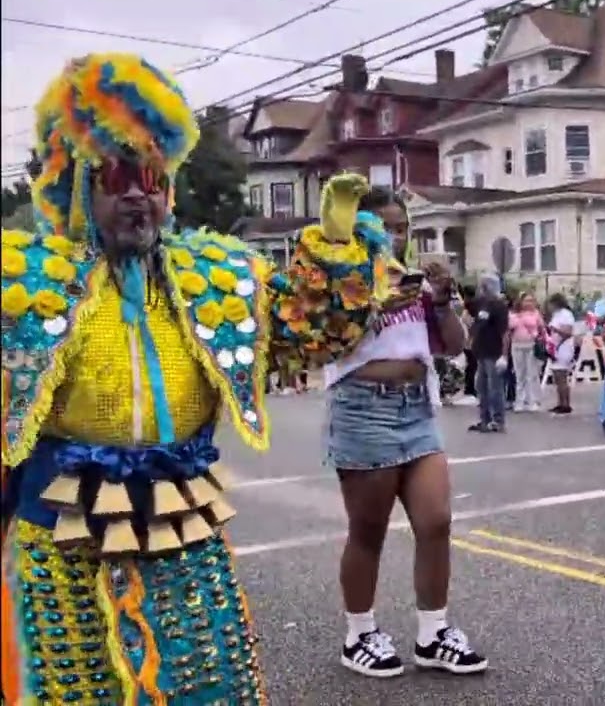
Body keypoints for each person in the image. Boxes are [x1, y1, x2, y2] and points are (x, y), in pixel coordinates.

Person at [1, 53, 272, 703]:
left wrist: (342, 248)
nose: (134, 193)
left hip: (183, 534)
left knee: (209, 689)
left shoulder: (215, 279)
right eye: (114, 176)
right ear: (76, 187)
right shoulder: (28, 285)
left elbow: (310, 336)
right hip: (62, 539)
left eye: (149, 176)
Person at [279, 180, 485, 679]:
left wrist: (439, 300)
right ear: (359, 228)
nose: (395, 237)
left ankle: (433, 633)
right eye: (383, 228)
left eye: (401, 228)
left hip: (418, 410)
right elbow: (318, 345)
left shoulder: (415, 280)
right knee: (368, 530)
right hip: (364, 408)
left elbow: (456, 345)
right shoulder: (338, 278)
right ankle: (360, 633)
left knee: (436, 522)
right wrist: (372, 303)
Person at [467, 275, 509, 433]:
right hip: (481, 351)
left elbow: (505, 332)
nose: (481, 288)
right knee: (482, 388)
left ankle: (498, 420)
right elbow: (475, 320)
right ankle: (484, 419)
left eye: (484, 285)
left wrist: (504, 355)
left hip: (494, 352)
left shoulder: (499, 306)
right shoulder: (481, 304)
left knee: (495, 388)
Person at [509, 292, 547, 411]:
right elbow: (509, 328)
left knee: (531, 374)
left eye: (531, 300)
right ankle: (519, 401)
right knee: (519, 374)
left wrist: (540, 338)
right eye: (526, 300)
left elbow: (542, 329)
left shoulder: (536, 314)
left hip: (531, 345)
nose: (529, 303)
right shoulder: (514, 314)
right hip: (517, 345)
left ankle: (532, 401)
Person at [546, 292, 577, 414]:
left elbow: (568, 332)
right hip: (555, 347)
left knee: (562, 376)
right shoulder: (556, 315)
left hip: (563, 347)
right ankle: (560, 402)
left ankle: (566, 404)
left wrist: (555, 330)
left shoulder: (566, 314)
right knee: (557, 377)